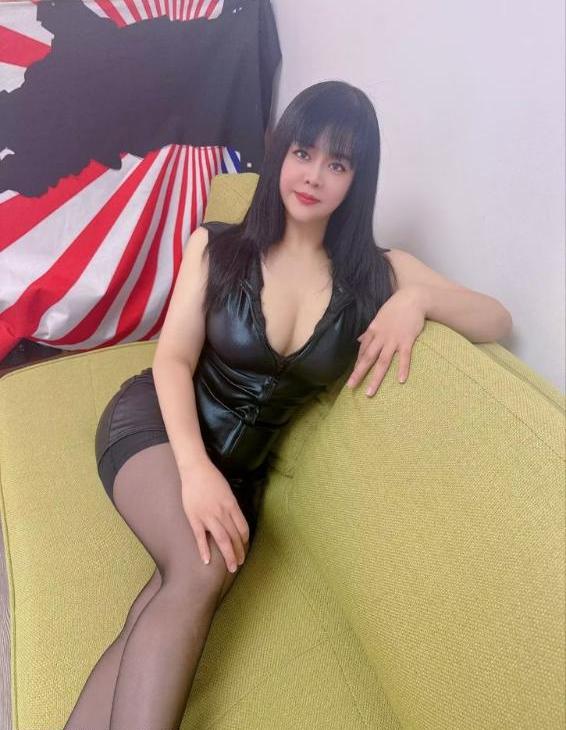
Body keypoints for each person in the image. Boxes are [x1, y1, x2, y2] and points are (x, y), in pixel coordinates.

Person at [64, 80, 398, 730]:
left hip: (240, 476)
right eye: (303, 153)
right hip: (159, 428)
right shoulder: (218, 246)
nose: (314, 175)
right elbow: (171, 361)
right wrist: (194, 472)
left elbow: (493, 316)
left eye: (338, 163)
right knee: (199, 571)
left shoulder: (371, 278)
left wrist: (415, 301)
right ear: (281, 154)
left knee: (172, 590)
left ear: (358, 180)